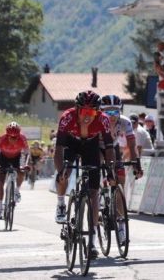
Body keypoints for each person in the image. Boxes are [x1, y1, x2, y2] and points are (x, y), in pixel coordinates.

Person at [54, 91, 115, 259]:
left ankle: (92, 241)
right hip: (71, 143)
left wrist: (110, 170)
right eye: (84, 112)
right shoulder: (67, 117)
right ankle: (60, 203)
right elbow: (58, 148)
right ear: (77, 109)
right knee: (65, 172)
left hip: (90, 145)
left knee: (94, 193)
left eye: (92, 112)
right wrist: (60, 172)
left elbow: (109, 147)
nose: (87, 116)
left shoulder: (103, 119)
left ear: (98, 112)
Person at [100, 95, 143, 243]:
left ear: (120, 112)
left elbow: (132, 145)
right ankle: (101, 194)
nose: (112, 116)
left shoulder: (125, 122)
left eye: (115, 112)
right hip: (97, 147)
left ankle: (121, 225)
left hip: (114, 147)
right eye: (108, 112)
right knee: (98, 169)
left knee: (120, 182)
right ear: (101, 112)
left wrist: (137, 163)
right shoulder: (98, 121)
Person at [0, 122, 29, 219]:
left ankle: (16, 191)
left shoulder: (22, 138)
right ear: (7, 136)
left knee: (21, 171)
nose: (14, 139)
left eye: (16, 137)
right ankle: (0, 208)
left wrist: (26, 164)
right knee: (0, 181)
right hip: (3, 158)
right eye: (11, 137)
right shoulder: (2, 138)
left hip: (16, 157)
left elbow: (27, 153)